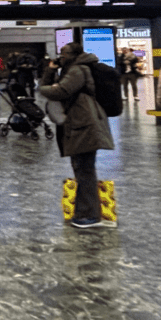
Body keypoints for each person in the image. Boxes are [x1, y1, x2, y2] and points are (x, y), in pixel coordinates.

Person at [39, 42, 115, 230]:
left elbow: (61, 91)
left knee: (84, 169)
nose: (60, 57)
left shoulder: (77, 70)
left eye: (63, 54)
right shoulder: (74, 68)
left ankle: (89, 214)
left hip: (85, 125)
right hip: (80, 123)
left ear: (73, 54)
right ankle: (86, 211)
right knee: (82, 168)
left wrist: (40, 90)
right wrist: (50, 71)